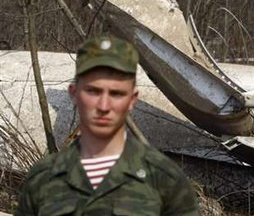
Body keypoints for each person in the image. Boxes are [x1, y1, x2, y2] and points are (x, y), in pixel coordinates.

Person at [15, 36, 199, 215]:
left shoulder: (163, 178)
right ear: (74, 93)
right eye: (93, 91)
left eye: (116, 94)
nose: (104, 106)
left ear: (132, 99)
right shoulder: (44, 178)